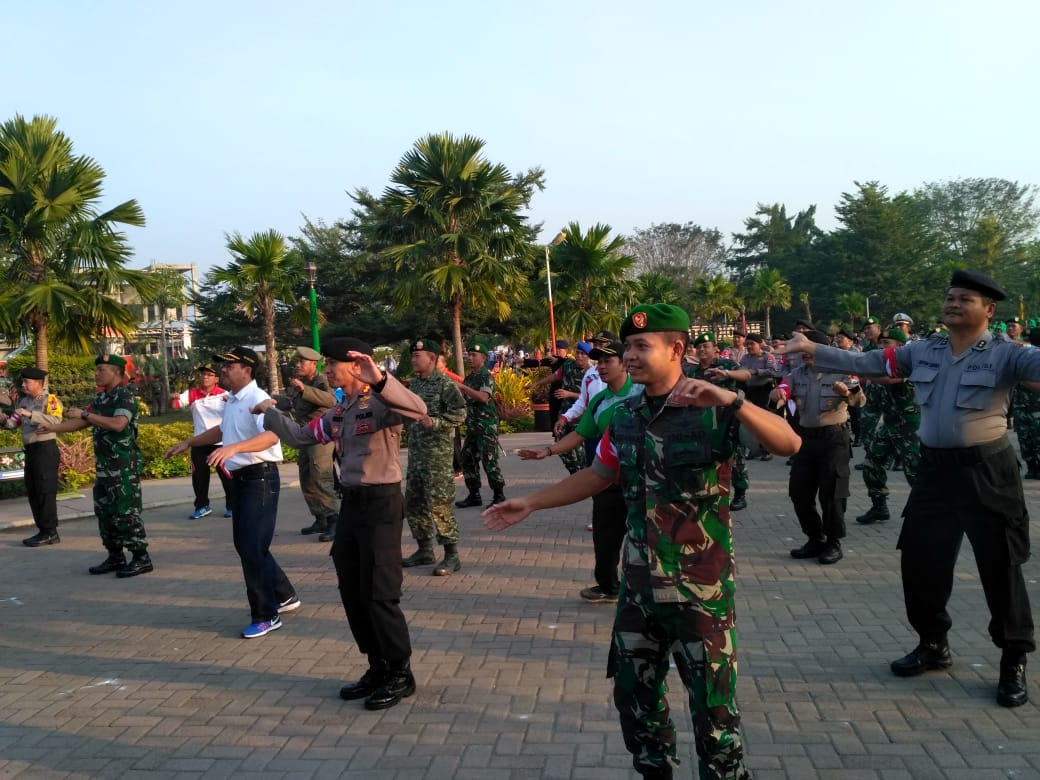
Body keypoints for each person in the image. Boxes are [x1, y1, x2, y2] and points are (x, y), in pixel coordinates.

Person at [485, 303, 801, 780]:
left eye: (640, 346)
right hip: (639, 588)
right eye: (627, 346)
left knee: (714, 711)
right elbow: (599, 474)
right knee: (634, 699)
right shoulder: (625, 413)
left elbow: (789, 444)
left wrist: (733, 401)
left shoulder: (713, 407)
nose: (629, 355)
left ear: (676, 349)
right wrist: (531, 503)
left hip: (701, 592)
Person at [778, 269, 1038, 708]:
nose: (953, 303)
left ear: (989, 311)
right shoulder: (922, 350)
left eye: (965, 299)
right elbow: (870, 363)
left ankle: (1012, 658)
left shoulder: (1007, 354)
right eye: (951, 297)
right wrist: (814, 349)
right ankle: (933, 644)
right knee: (921, 562)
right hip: (934, 472)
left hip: (988, 472)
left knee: (1001, 567)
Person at [260, 337, 428, 709]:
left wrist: (381, 378)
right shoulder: (342, 410)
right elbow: (302, 436)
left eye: (333, 363)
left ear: (354, 366)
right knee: (351, 587)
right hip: (352, 504)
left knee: (380, 590)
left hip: (382, 504)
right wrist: (270, 411)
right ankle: (377, 665)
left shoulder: (382, 403)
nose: (327, 370)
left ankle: (401, 672)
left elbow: (418, 410)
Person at [164, 347, 297, 638]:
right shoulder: (234, 399)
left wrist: (234, 448)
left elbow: (272, 434)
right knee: (248, 545)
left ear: (247, 370)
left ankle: (266, 614)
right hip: (242, 479)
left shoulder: (258, 398)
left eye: (228, 365)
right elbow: (223, 430)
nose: (222, 370)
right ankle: (284, 594)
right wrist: (189, 442)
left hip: (260, 477)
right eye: (222, 365)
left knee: (251, 547)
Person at [517, 340, 642, 603]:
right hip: (606, 481)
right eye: (599, 362)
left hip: (642, 485)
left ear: (625, 364)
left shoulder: (642, 393)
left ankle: (643, 592)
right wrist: (548, 452)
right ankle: (608, 587)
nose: (602, 367)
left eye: (608, 361)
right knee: (605, 540)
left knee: (643, 542)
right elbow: (580, 435)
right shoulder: (599, 401)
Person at [39, 355, 152, 577]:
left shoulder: (125, 397)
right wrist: (53, 428)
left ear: (117, 373)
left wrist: (85, 413)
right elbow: (82, 422)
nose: (96, 374)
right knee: (105, 512)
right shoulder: (101, 399)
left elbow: (119, 424)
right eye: (97, 370)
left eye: (101, 370)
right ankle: (115, 556)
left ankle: (141, 557)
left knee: (125, 512)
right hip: (104, 467)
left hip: (123, 467)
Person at [770, 329, 864, 565]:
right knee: (799, 492)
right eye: (802, 351)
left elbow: (859, 400)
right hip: (805, 440)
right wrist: (778, 395)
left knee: (832, 494)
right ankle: (815, 538)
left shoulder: (841, 372)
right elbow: (783, 389)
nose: (805, 355)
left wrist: (847, 393)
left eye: (809, 350)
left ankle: (833, 542)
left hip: (834, 440)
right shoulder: (796, 373)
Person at [400, 339, 467, 575]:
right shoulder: (415, 384)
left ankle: (452, 555)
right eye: (413, 356)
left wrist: (436, 422)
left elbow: (460, 413)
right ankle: (424, 550)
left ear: (432, 358)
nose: (414, 359)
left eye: (418, 356)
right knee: (415, 504)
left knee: (440, 505)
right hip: (417, 455)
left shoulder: (445, 384)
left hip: (437, 457)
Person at [273, 346, 340, 541]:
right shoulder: (300, 382)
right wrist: (273, 400)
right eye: (297, 361)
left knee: (321, 476)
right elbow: (292, 403)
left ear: (313, 364)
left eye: (302, 362)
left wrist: (306, 390)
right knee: (306, 477)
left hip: (321, 436)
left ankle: (334, 520)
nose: (298, 365)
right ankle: (320, 517)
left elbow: (331, 400)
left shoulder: (322, 381)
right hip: (304, 434)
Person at [854, 328, 921, 524]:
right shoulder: (878, 371)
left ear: (900, 347)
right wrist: (866, 435)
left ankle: (926, 512)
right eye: (881, 343)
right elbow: (872, 408)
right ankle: (879, 507)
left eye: (887, 343)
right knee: (872, 465)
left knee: (915, 473)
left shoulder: (907, 366)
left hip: (911, 427)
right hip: (889, 426)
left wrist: (861, 372)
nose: (882, 347)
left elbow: (892, 379)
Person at [682, 332, 751, 510]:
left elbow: (746, 375)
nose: (702, 350)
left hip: (727, 420)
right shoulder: (692, 371)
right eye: (699, 347)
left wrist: (727, 374)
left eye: (706, 346)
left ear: (715, 349)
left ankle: (740, 494)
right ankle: (707, 493)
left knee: (735, 457)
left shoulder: (726, 365)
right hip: (702, 421)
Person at [1, 368, 63, 546]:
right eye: (23, 382)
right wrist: (4, 420)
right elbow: (13, 423)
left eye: (26, 382)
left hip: (45, 449)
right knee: (33, 490)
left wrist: (31, 414)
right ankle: (43, 530)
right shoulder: (24, 401)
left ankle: (50, 531)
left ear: (38, 383)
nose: (23, 385)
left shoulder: (49, 400)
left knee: (45, 490)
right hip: (31, 451)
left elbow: (56, 420)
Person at [171, 364, 232, 519]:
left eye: (209, 375)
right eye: (203, 374)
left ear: (216, 379)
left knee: (227, 477)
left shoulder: (225, 395)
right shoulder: (192, 394)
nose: (205, 377)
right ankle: (202, 506)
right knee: (199, 477)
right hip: (199, 443)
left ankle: (232, 505)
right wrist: (174, 398)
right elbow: (177, 405)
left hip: (220, 443)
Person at [455, 341, 507, 508]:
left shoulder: (486, 376)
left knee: (489, 460)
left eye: (474, 355)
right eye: (469, 355)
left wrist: (463, 387)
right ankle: (474, 494)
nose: (470, 358)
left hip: (486, 426)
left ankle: (499, 494)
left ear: (483, 358)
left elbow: (484, 397)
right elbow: (465, 400)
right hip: (473, 426)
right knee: (467, 458)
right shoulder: (470, 378)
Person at [530, 339, 586, 474]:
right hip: (565, 413)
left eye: (583, 354)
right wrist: (537, 384)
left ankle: (584, 473)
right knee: (560, 444)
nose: (579, 356)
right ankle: (575, 472)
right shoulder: (568, 364)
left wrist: (569, 394)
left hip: (582, 415)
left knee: (580, 448)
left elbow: (591, 397)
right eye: (577, 353)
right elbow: (555, 376)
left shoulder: (593, 372)